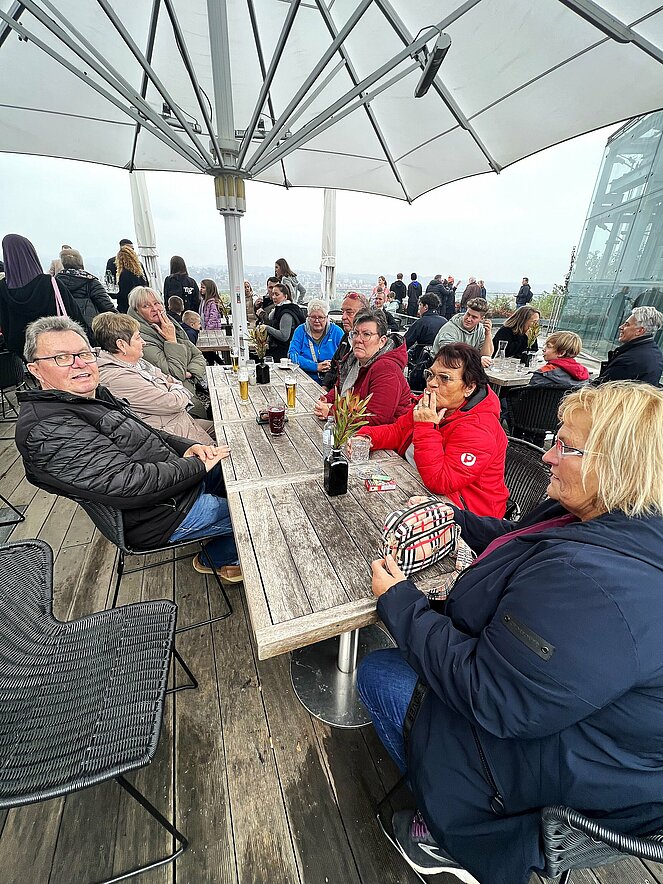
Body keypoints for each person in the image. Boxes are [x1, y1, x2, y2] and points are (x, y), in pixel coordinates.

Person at [358, 381, 663, 884]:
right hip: (568, 726)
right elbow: (522, 538)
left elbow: (492, 695)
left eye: (565, 446)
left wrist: (401, 604)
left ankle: (451, 833)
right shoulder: (606, 516)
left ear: (617, 466)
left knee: (376, 671)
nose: (548, 456)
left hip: (560, 778)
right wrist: (459, 519)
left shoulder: (597, 586)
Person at [15, 316, 242, 583]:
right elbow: (128, 484)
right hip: (160, 514)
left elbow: (147, 433)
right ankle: (215, 558)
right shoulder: (48, 428)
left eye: (84, 354)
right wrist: (196, 466)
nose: (79, 364)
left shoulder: (89, 397)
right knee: (258, 513)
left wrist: (189, 446)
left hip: (173, 487)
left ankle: (226, 535)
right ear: (35, 369)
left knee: (240, 469)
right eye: (62, 358)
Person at [358, 343, 508, 516]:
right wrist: (366, 437)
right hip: (414, 483)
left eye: (444, 378)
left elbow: (441, 481)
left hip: (467, 515)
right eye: (430, 374)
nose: (432, 383)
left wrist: (425, 426)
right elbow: (398, 431)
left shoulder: (479, 429)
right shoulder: (434, 402)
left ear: (469, 387)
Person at [92, 312, 214, 444]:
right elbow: (173, 403)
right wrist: (177, 389)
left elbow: (173, 380)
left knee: (226, 426)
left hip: (181, 422)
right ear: (122, 345)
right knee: (228, 434)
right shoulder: (118, 378)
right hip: (173, 438)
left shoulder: (137, 363)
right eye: (138, 338)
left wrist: (174, 388)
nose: (143, 342)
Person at [314, 309, 411, 427]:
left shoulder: (387, 368)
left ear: (382, 341)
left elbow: (378, 418)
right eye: (355, 333)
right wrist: (326, 399)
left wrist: (332, 412)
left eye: (366, 334)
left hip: (381, 436)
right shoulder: (352, 359)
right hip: (347, 429)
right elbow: (340, 389)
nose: (358, 340)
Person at [0, 233, 91, 357]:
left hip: (21, 351)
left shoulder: (3, 288)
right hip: (56, 348)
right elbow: (74, 315)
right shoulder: (49, 283)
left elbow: (5, 323)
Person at [127, 286, 208, 419]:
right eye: (146, 306)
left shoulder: (169, 324)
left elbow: (198, 356)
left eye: (157, 303)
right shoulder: (140, 338)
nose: (155, 309)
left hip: (192, 388)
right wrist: (171, 341)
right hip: (179, 403)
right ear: (137, 311)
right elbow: (175, 374)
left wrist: (190, 373)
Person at [595, 306, 663, 385]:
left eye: (627, 325)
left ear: (640, 331)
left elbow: (600, 387)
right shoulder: (656, 354)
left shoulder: (628, 360)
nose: (621, 327)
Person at [320, 291, 370, 391]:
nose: (343, 317)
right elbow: (334, 367)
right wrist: (324, 389)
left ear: (364, 315)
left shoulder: (370, 345)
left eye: (349, 312)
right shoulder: (346, 338)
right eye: (342, 312)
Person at [56, 246, 116, 327]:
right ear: (80, 262)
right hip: (88, 324)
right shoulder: (91, 281)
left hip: (62, 324)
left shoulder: (55, 282)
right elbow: (105, 305)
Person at [288, 298, 343, 381]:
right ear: (308, 317)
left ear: (327, 318)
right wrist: (315, 366)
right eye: (313, 317)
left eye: (320, 317)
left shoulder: (337, 332)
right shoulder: (300, 331)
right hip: (304, 379)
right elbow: (292, 355)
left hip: (332, 380)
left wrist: (332, 365)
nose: (317, 321)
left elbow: (344, 357)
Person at [432, 297, 493, 363]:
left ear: (482, 319)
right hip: (442, 364)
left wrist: (488, 334)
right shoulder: (449, 328)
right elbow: (450, 355)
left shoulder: (481, 329)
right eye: (468, 314)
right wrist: (477, 361)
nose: (469, 319)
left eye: (474, 317)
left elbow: (486, 356)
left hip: (466, 365)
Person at [263, 283, 306, 361]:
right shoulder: (279, 310)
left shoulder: (286, 314)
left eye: (277, 294)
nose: (273, 297)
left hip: (284, 354)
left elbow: (284, 336)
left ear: (285, 296)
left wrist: (266, 328)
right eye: (273, 294)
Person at [115, 243, 148, 314]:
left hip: (129, 307)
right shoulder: (139, 272)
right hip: (141, 303)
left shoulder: (124, 274)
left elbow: (123, 295)